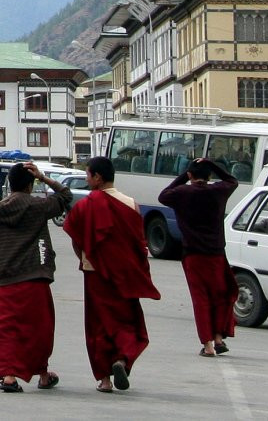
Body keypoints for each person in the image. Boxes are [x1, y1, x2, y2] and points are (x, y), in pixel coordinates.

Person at [63, 155, 160, 393]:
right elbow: (139, 243)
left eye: (88, 175)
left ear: (97, 177)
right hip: (125, 274)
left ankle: (105, 379)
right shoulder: (131, 204)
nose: (87, 180)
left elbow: (77, 239)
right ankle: (123, 358)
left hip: (95, 273)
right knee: (127, 320)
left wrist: (86, 259)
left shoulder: (86, 205)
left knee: (98, 324)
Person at [0, 161, 73, 392]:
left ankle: (9, 376)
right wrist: (44, 177)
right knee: (39, 329)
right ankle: (43, 374)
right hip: (35, 278)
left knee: (5, 330)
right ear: (30, 185)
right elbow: (66, 196)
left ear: (9, 184)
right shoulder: (39, 207)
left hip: (5, 281)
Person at [158, 157, 239, 356]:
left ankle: (208, 345)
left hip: (193, 255)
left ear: (190, 175)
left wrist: (183, 177)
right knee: (219, 296)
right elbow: (232, 180)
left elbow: (162, 196)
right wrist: (211, 163)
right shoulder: (218, 191)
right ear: (209, 175)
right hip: (217, 254)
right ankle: (218, 338)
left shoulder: (182, 193)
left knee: (200, 299)